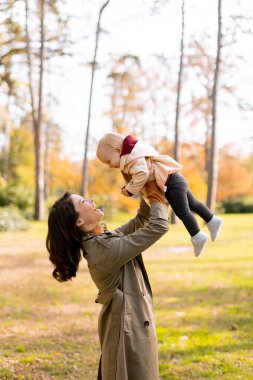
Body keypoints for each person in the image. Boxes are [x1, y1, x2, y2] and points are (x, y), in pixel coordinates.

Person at [46, 181, 169, 380]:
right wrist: (155, 195)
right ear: (78, 222)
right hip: (127, 330)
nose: (91, 201)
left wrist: (143, 186)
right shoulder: (103, 250)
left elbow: (141, 220)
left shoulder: (102, 241)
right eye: (84, 201)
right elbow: (159, 226)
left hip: (131, 322)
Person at [96, 132, 223, 257]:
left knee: (182, 211)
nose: (110, 166)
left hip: (171, 184)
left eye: (108, 161)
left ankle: (197, 236)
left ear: (118, 150)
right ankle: (212, 220)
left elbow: (142, 174)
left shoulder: (133, 159)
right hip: (174, 179)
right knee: (193, 204)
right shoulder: (136, 154)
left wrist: (129, 189)